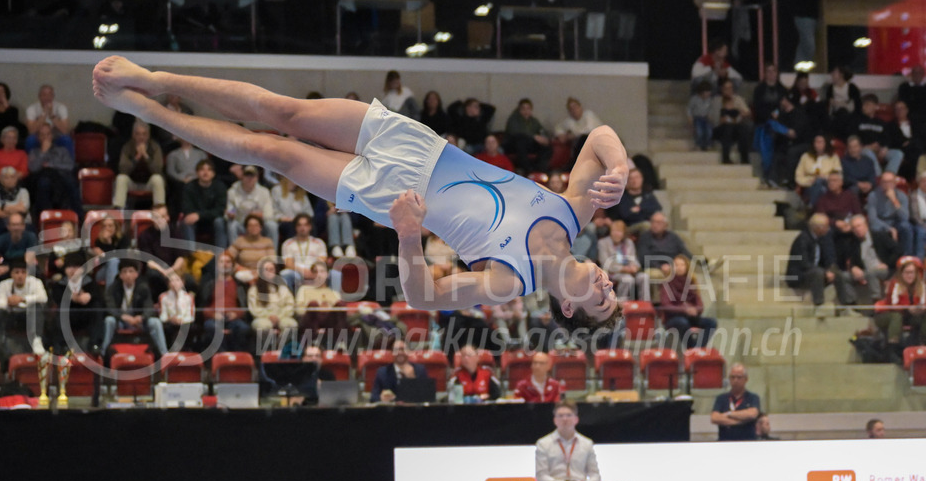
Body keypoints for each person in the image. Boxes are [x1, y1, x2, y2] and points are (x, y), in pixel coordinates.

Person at [92, 56, 626, 332]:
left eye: (601, 301)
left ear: (568, 306)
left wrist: (410, 235)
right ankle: (153, 78)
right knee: (285, 112)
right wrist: (621, 167)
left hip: (389, 196)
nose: (607, 285)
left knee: (271, 152)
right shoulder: (574, 214)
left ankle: (148, 112)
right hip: (420, 148)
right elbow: (598, 139)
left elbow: (424, 298)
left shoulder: (509, 281)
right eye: (613, 290)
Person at [0, 259, 48, 362]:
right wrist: (10, 302)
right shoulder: (4, 285)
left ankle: (37, 341)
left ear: (27, 274)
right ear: (11, 274)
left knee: (37, 307)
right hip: (11, 317)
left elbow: (43, 298)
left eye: (23, 272)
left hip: (29, 317)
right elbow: (1, 304)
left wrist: (21, 299)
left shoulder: (36, 282)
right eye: (16, 272)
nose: (20, 276)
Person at [100, 261, 168, 357]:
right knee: (109, 320)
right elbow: (110, 308)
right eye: (125, 272)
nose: (128, 274)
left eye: (131, 271)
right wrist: (123, 317)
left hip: (139, 322)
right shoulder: (113, 288)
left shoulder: (143, 287)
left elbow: (149, 307)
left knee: (155, 322)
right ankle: (103, 354)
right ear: (120, 275)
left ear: (136, 274)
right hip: (121, 321)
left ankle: (164, 355)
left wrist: (141, 318)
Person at [835, 214, 900, 307]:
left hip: (883, 270)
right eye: (854, 228)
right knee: (844, 276)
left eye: (859, 226)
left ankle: (876, 301)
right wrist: (853, 267)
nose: (857, 229)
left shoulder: (879, 236)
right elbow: (851, 259)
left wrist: (887, 263)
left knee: (872, 272)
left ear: (866, 225)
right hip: (865, 271)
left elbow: (898, 250)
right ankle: (851, 304)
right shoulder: (853, 242)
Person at [873, 257, 926, 362]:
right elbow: (893, 305)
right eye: (907, 272)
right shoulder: (895, 284)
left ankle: (923, 344)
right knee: (896, 317)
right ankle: (891, 351)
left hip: (910, 315)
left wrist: (921, 309)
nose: (910, 275)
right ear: (901, 273)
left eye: (912, 272)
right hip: (887, 315)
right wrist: (908, 308)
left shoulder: (921, 286)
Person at [659, 254, 717, 348]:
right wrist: (684, 310)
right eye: (677, 265)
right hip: (673, 318)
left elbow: (700, 304)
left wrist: (695, 310)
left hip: (690, 317)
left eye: (682, 265)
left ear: (687, 267)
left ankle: (697, 348)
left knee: (711, 322)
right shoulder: (667, 283)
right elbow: (666, 305)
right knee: (682, 322)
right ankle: (692, 348)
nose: (680, 268)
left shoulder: (691, 282)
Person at [785, 214, 840, 310]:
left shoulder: (822, 238)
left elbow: (827, 257)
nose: (828, 229)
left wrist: (830, 268)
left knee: (840, 274)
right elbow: (804, 263)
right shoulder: (802, 239)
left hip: (816, 271)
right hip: (799, 274)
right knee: (817, 273)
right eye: (826, 226)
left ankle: (848, 303)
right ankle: (819, 303)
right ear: (818, 228)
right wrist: (824, 272)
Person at [27, 122, 81, 218]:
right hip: (43, 178)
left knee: (70, 182)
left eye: (48, 134)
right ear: (37, 137)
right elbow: (33, 168)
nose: (45, 137)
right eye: (42, 135)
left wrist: (51, 165)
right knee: (44, 183)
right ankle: (46, 219)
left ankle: (79, 217)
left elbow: (70, 166)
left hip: (61, 177)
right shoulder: (34, 152)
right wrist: (43, 152)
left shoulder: (62, 150)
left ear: (52, 136)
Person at [0, 213, 37, 299]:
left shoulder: (31, 237)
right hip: (7, 269)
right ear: (8, 227)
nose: (16, 228)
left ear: (23, 226)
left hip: (25, 268)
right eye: (13, 225)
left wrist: (8, 268)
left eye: (18, 225)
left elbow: (28, 261)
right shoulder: (2, 239)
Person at [201, 253, 249, 353]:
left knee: (243, 328)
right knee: (211, 327)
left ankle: (237, 356)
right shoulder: (209, 284)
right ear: (217, 265)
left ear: (232, 265)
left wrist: (236, 314)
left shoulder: (240, 285)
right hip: (214, 318)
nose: (224, 264)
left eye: (228, 262)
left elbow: (245, 308)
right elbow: (202, 308)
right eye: (222, 262)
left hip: (233, 319)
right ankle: (222, 356)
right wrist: (213, 315)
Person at [114, 120, 165, 208]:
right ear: (133, 135)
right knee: (121, 178)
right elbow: (123, 169)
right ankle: (118, 211)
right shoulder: (127, 147)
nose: (141, 137)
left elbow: (158, 169)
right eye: (138, 134)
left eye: (144, 134)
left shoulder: (155, 147)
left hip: (148, 183)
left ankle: (159, 210)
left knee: (158, 179)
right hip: (132, 183)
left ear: (148, 135)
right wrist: (136, 158)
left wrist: (146, 156)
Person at [248, 257, 297, 346]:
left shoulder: (283, 288)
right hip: (262, 318)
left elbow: (290, 305)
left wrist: (279, 316)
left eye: (271, 269)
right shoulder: (254, 290)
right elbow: (254, 308)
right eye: (266, 269)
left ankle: (280, 348)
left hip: (282, 317)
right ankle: (268, 350)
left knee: (292, 325)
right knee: (262, 327)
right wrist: (268, 316)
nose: (269, 271)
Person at [226, 164, 277, 247]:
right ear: (242, 176)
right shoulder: (233, 191)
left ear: (257, 178)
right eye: (247, 175)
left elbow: (269, 214)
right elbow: (231, 209)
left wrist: (258, 215)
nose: (250, 179)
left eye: (252, 176)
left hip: (259, 224)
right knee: (232, 225)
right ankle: (233, 254)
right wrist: (231, 213)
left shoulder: (264, 192)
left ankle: (272, 254)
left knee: (272, 225)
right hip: (241, 223)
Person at [597, 220, 649, 302]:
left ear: (624, 233)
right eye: (613, 231)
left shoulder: (629, 243)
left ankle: (645, 304)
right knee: (627, 279)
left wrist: (635, 267)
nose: (616, 234)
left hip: (629, 271)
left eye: (619, 231)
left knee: (644, 277)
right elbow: (606, 263)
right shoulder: (603, 243)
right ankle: (621, 304)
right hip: (613, 272)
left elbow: (634, 259)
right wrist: (623, 269)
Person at [181, 159, 228, 248]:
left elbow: (220, 210)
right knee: (186, 222)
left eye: (209, 169)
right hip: (196, 222)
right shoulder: (189, 187)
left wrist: (200, 215)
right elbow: (187, 208)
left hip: (212, 220)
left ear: (213, 173)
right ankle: (191, 257)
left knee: (220, 221)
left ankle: (221, 256)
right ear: (197, 173)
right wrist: (196, 216)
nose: (205, 172)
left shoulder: (220, 187)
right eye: (202, 169)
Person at [710, 363, 760, 441]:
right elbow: (715, 418)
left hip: (747, 442)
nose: (735, 380)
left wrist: (729, 414)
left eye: (739, 377)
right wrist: (741, 421)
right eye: (732, 377)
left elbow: (752, 414)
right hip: (725, 442)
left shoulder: (752, 397)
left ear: (746, 379)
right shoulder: (721, 398)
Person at [867, 172, 912, 256]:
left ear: (895, 183)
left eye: (890, 182)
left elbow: (905, 217)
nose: (887, 185)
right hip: (881, 222)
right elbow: (873, 219)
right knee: (876, 228)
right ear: (880, 183)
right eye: (884, 182)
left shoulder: (901, 196)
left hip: (896, 221)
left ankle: (906, 257)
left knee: (906, 226)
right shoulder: (873, 196)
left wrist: (894, 200)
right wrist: (889, 228)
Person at [369, 338, 428, 403]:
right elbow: (373, 397)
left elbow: (426, 398)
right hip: (390, 411)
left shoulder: (419, 370)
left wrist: (412, 379)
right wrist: (381, 398)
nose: (400, 352)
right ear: (391, 353)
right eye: (396, 350)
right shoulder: (382, 372)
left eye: (402, 349)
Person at [504, 98, 552, 174]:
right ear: (519, 110)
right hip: (514, 145)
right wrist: (534, 137)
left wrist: (545, 139)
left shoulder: (534, 121)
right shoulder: (513, 119)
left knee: (547, 147)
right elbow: (515, 132)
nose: (526, 111)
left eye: (528, 108)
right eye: (523, 108)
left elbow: (541, 131)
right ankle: (528, 171)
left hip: (529, 145)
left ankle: (540, 170)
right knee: (521, 141)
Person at [711, 79, 752, 165]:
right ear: (722, 89)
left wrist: (742, 114)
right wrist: (724, 120)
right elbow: (715, 118)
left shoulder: (738, 99)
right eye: (726, 88)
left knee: (744, 128)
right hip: (721, 128)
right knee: (728, 127)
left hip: (736, 127)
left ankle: (745, 158)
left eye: (730, 88)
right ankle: (726, 157)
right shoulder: (717, 100)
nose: (729, 90)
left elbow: (747, 112)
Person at [227, 213, 275, 285]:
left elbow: (271, 260)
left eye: (256, 225)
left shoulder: (267, 241)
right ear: (246, 228)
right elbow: (227, 256)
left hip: (263, 272)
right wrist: (238, 267)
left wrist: (258, 272)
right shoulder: (240, 241)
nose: (253, 227)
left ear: (261, 227)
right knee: (240, 275)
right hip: (245, 272)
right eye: (250, 225)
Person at [610, 168, 660, 234]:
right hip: (628, 227)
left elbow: (656, 210)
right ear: (627, 181)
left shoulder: (648, 196)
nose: (634, 181)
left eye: (637, 177)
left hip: (648, 224)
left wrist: (639, 209)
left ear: (642, 179)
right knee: (646, 225)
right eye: (631, 178)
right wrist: (644, 211)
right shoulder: (621, 197)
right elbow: (625, 215)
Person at [796, 135, 843, 206]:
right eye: (816, 142)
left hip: (828, 184)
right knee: (819, 185)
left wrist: (826, 177)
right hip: (810, 186)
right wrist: (811, 180)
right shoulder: (805, 156)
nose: (818, 144)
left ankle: (811, 207)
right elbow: (798, 176)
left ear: (826, 143)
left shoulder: (834, 157)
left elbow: (839, 175)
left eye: (820, 142)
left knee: (820, 182)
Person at [792, 0, 821, 67]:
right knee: (809, 44)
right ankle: (807, 67)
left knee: (803, 44)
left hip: (812, 17)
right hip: (803, 17)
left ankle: (798, 67)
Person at [158, 272, 195, 352]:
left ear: (182, 283)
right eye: (172, 281)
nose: (174, 283)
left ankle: (186, 351)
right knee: (167, 328)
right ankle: (170, 352)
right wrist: (171, 319)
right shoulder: (163, 297)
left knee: (189, 328)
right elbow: (162, 316)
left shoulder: (188, 297)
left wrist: (181, 320)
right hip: (170, 323)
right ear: (168, 283)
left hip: (184, 323)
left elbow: (191, 316)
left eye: (177, 280)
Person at [270, 174, 312, 244]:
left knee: (310, 225)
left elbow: (309, 212)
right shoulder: (276, 190)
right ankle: (290, 247)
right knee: (290, 226)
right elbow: (273, 209)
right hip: (283, 221)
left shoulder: (301, 193)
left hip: (299, 221)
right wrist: (282, 218)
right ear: (288, 177)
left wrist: (301, 219)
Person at [687, 81, 715, 151]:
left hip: (706, 118)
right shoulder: (694, 99)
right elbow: (689, 108)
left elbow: (711, 108)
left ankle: (708, 144)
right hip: (698, 118)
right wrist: (690, 117)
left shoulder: (709, 100)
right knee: (699, 132)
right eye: (707, 92)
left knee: (709, 131)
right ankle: (698, 144)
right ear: (702, 92)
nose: (709, 94)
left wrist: (710, 115)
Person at [911, 173, 926, 259]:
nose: (925, 184)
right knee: (922, 232)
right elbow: (915, 215)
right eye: (923, 181)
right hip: (920, 223)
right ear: (919, 183)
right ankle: (919, 259)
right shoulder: (914, 195)